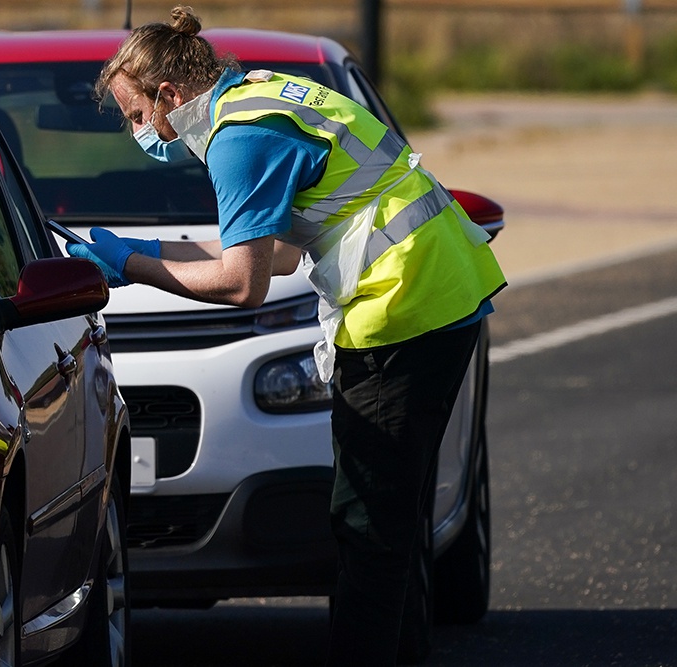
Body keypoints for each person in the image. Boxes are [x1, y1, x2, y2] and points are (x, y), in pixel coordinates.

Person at [67, 6, 507, 665]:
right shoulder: (258, 97)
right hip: (439, 288)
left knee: (365, 525)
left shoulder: (235, 140)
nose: (141, 135)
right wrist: (147, 246)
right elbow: (272, 252)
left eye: (136, 117)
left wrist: (133, 266)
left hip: (403, 308)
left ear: (169, 95)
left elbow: (245, 283)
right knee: (388, 520)